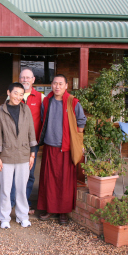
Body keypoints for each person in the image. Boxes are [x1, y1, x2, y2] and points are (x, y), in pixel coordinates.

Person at [37, 74, 86, 225]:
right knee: (49, 180)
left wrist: (77, 141)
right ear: (51, 85)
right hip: (50, 146)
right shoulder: (47, 101)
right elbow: (42, 120)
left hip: (65, 148)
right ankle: (50, 209)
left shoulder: (73, 102)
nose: (57, 86)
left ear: (66, 86)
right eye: (55, 83)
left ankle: (63, 212)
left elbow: (82, 121)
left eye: (60, 84)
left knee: (65, 182)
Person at [0, 82, 38, 229]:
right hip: (6, 155)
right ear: (8, 92)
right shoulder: (0, 111)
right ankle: (4, 217)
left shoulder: (26, 110)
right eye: (15, 93)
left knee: (21, 188)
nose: (18, 97)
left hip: (24, 154)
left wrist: (32, 154)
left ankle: (22, 216)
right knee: (6, 189)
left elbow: (31, 131)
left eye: (21, 94)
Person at [10, 68, 45, 214]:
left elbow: (44, 119)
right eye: (22, 77)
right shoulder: (13, 96)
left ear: (33, 80)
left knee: (29, 174)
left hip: (32, 144)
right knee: (13, 173)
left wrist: (40, 139)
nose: (25, 80)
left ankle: (24, 202)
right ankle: (11, 202)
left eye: (28, 77)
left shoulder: (41, 97)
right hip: (14, 143)